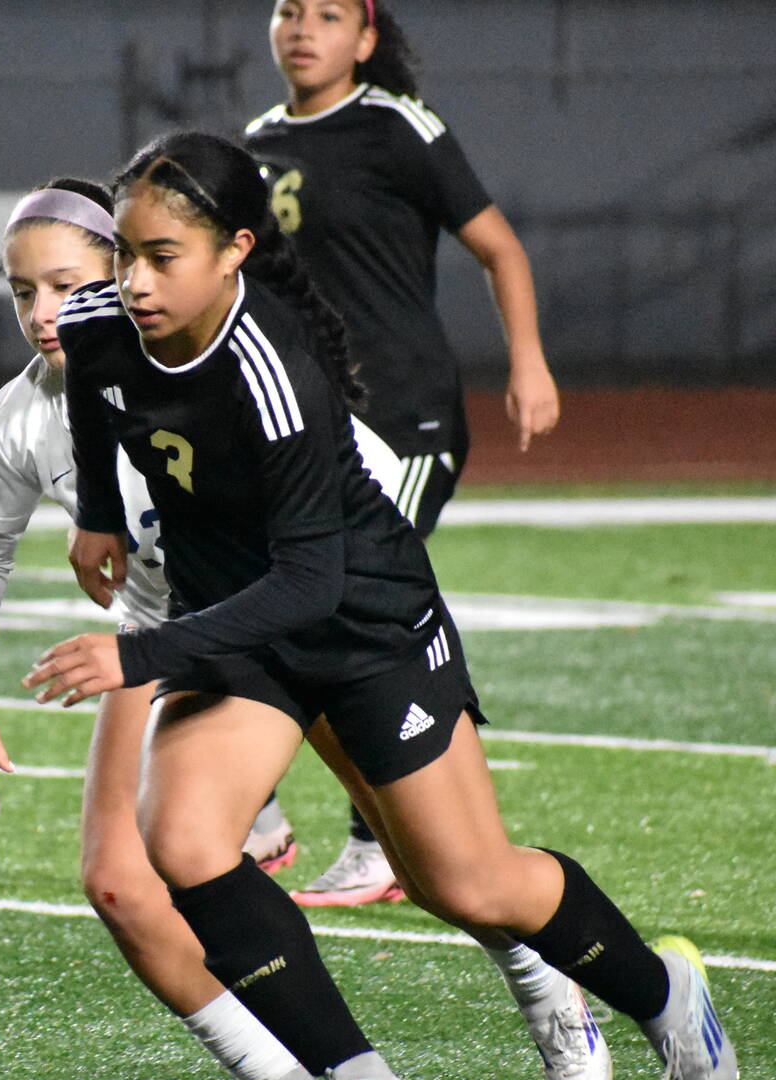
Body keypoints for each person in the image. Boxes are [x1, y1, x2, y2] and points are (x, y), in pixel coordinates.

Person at [25, 132, 736, 1080]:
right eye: (123, 253)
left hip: (361, 624)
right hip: (244, 624)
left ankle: (662, 994)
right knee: (178, 838)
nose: (130, 281)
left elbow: (312, 584)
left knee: (470, 883)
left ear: (233, 250)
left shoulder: (273, 370)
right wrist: (96, 515)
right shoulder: (100, 321)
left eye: (160, 257)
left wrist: (139, 658)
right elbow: (98, 397)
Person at [0, 179, 596, 1080]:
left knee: (431, 862)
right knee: (120, 880)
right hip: (166, 630)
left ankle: (542, 975)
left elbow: (350, 476)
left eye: (65, 283)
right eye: (19, 290)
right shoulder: (26, 413)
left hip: (301, 620)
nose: (42, 312)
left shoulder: (224, 356)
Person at [245, 0, 562, 909]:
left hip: (403, 416)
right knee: (277, 581)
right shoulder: (256, 142)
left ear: (366, 39)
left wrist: (528, 361)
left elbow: (499, 248)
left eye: (329, 14)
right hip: (311, 421)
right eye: (288, 10)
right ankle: (265, 806)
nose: (303, 28)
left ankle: (367, 837)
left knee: (352, 593)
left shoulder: (397, 127)